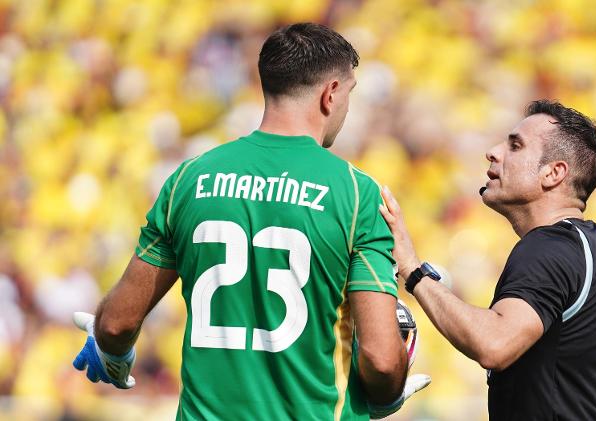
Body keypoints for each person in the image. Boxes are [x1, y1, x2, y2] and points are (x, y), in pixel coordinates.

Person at [71, 23, 429, 420]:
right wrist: (387, 391)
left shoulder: (190, 179)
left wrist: (111, 351)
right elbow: (380, 362)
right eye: (349, 94)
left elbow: (117, 324)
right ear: (330, 94)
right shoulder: (357, 194)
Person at [380, 100, 596, 420]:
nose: (493, 151)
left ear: (553, 173)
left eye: (515, 146)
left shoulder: (551, 246)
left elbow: (494, 344)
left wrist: (412, 269)